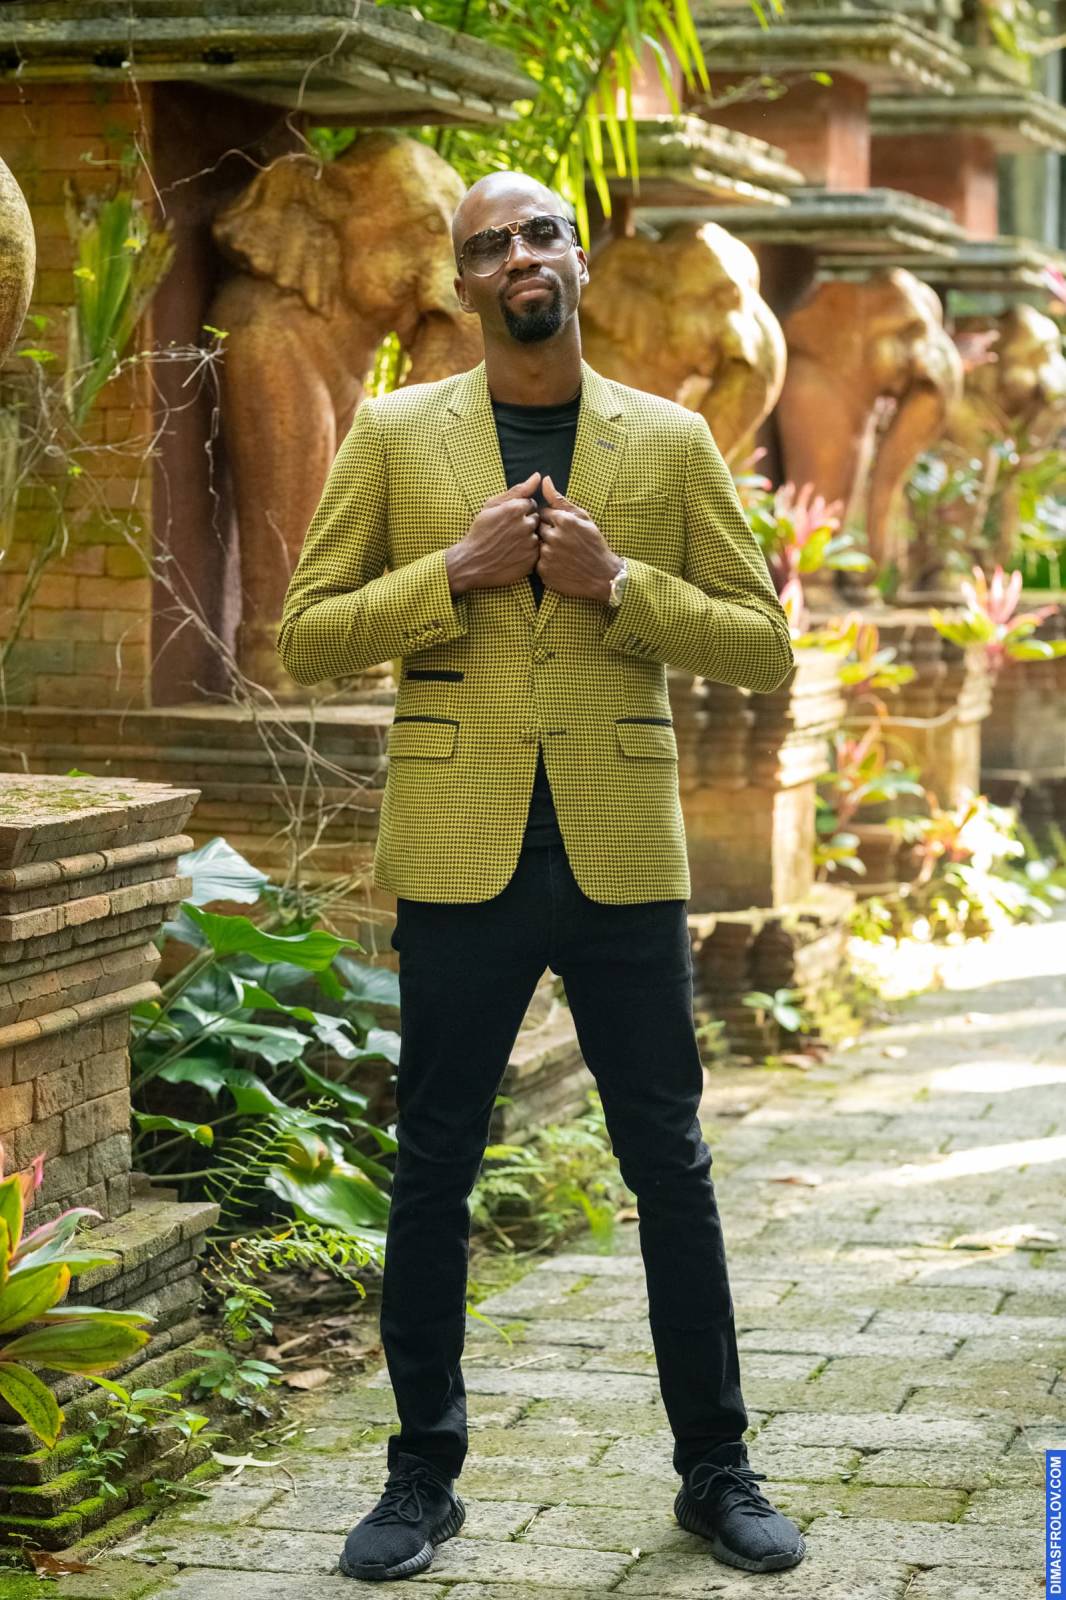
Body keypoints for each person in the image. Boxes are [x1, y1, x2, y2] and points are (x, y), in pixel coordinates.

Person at [277, 169, 803, 1585]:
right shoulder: (395, 433)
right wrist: (449, 571)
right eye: (488, 242)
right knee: (433, 1164)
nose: (519, 253)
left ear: (579, 260)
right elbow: (306, 635)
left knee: (670, 1166)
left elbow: (761, 645)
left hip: (621, 849)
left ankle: (717, 1472)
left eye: (541, 232)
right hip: (462, 854)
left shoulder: (670, 438)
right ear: (461, 283)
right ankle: (420, 1478)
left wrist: (617, 584)